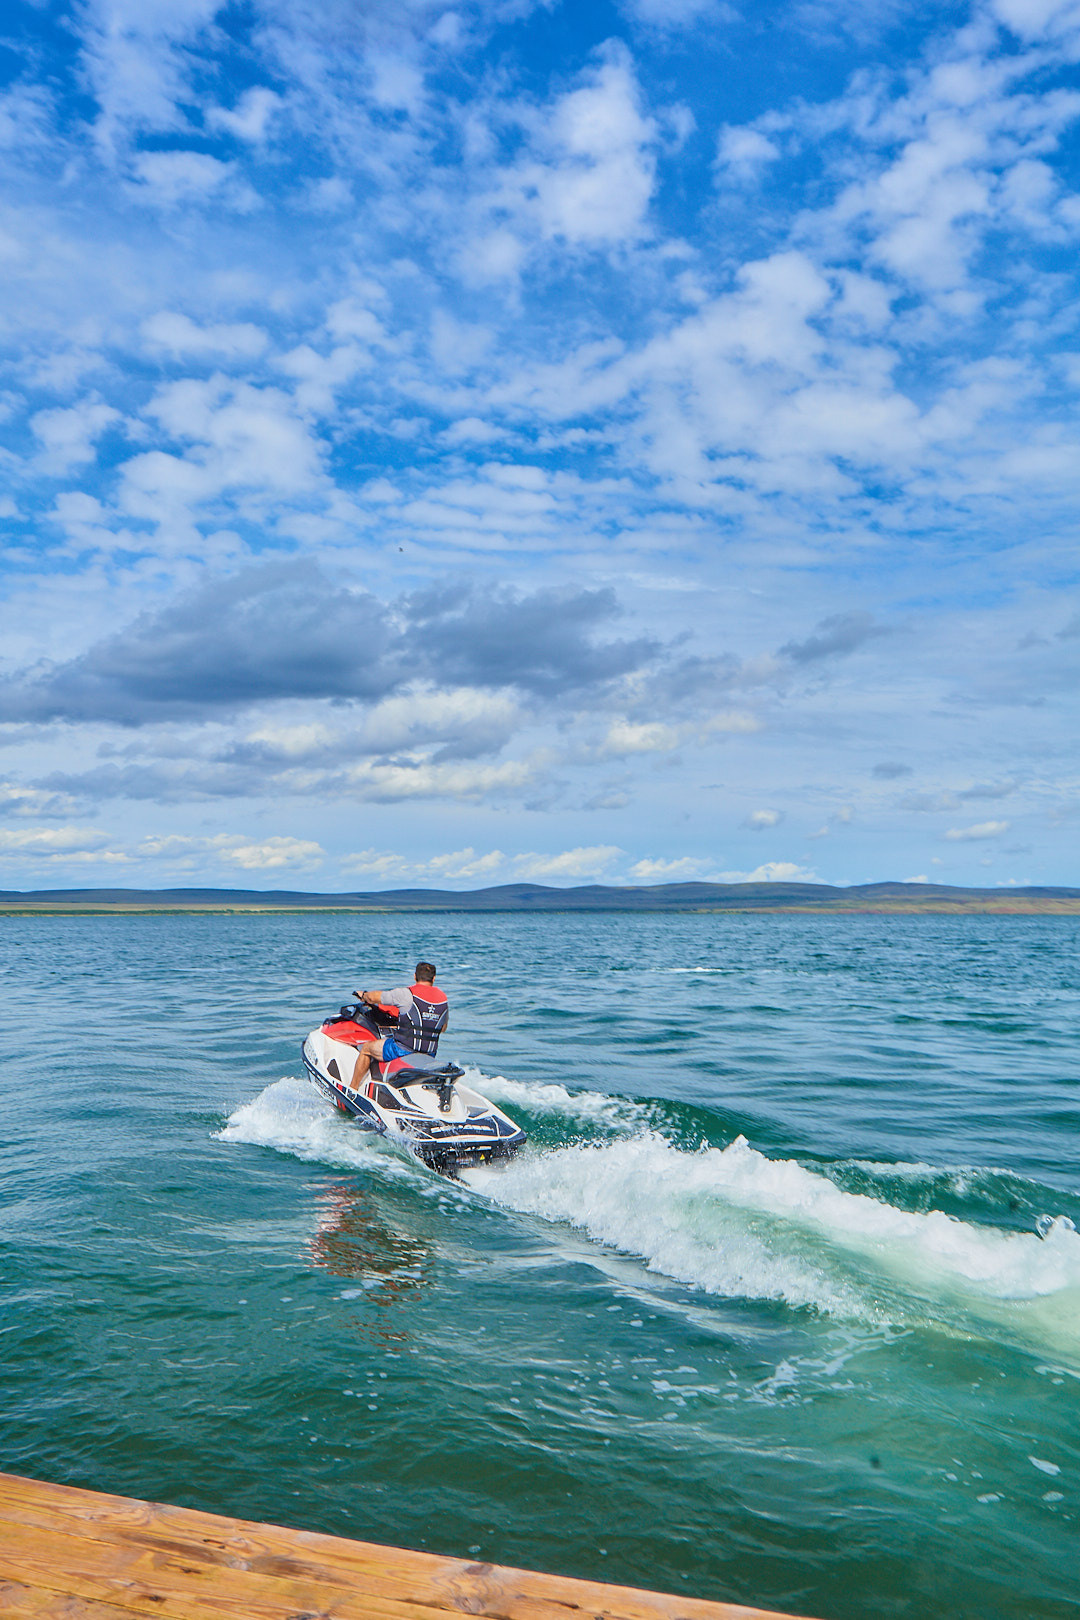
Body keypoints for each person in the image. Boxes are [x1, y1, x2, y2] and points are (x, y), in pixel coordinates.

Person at [349, 961, 449, 1091]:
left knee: (367, 1049)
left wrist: (364, 995)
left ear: (415, 976)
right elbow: (443, 1028)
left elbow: (375, 997)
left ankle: (352, 1089)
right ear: (434, 978)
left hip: (403, 1049)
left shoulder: (406, 994)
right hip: (429, 1053)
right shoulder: (443, 998)